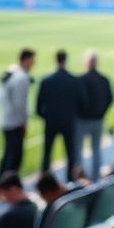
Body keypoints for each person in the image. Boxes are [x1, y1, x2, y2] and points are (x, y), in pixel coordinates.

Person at [36, 50, 86, 179]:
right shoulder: (74, 80)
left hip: (51, 122)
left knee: (47, 154)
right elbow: (83, 103)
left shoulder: (46, 80)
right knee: (70, 154)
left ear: (56, 60)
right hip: (69, 122)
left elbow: (38, 106)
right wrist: (73, 116)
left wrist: (47, 117)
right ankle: (70, 182)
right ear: (65, 60)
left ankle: (44, 181)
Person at [0, 49, 36, 181]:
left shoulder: (10, 73)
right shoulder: (22, 77)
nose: (33, 64)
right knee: (14, 157)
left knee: (8, 154)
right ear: (26, 60)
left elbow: (0, 97)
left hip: (5, 119)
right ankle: (9, 185)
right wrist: (23, 122)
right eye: (32, 60)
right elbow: (20, 104)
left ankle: (1, 184)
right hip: (15, 122)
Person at [75, 49, 113, 182]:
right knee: (96, 150)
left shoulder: (80, 79)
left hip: (83, 121)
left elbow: (76, 100)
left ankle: (79, 179)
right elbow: (109, 98)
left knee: (79, 151)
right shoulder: (103, 79)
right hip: (97, 119)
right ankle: (95, 179)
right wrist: (101, 112)